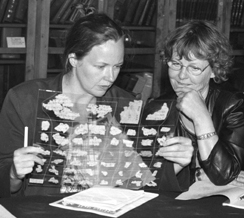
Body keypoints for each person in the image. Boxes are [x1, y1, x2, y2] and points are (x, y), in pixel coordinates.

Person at [0, 13, 137, 197]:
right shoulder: (24, 100)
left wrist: (172, 162)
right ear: (73, 59)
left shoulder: (126, 106)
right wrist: (14, 173)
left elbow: (141, 184)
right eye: (100, 66)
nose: (111, 77)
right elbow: (5, 183)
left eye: (117, 66)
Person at [146, 20, 244, 192]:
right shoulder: (156, 109)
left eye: (194, 68)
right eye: (176, 64)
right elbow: (147, 178)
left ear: (214, 70)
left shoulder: (233, 105)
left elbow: (224, 175)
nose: (182, 76)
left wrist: (201, 117)